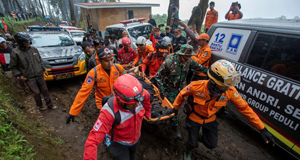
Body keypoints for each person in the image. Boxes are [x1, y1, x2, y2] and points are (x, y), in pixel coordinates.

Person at [172, 60, 275, 159]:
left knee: (211, 144)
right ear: (215, 81)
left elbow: (244, 108)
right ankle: (188, 151)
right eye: (228, 81)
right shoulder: (197, 86)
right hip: (194, 118)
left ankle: (196, 137)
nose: (230, 84)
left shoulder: (230, 91)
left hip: (210, 119)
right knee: (192, 143)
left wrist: (262, 128)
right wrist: (175, 109)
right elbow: (181, 94)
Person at [83, 74, 151, 160]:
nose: (137, 105)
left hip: (135, 140)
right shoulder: (108, 113)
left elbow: (147, 98)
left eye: (138, 101)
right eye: (132, 104)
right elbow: (92, 141)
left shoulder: (139, 95)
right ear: (121, 101)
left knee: (132, 156)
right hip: (118, 144)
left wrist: (147, 112)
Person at [155, 44, 207, 139]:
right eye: (185, 57)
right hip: (168, 89)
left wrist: (212, 74)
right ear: (180, 54)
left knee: (178, 106)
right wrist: (162, 91)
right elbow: (157, 77)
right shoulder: (169, 62)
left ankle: (169, 118)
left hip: (180, 90)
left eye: (188, 57)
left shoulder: (189, 62)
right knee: (174, 108)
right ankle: (174, 125)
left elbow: (201, 68)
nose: (187, 59)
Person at [66, 47, 126, 123]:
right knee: (106, 124)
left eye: (111, 59)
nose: (110, 63)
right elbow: (83, 92)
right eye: (106, 61)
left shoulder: (119, 68)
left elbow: (127, 83)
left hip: (117, 102)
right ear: (99, 61)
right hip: (103, 105)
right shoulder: (93, 73)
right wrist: (73, 111)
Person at [9, 32, 57, 111]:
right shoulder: (16, 52)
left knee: (45, 90)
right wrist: (20, 75)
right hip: (29, 77)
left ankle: (50, 105)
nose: (28, 43)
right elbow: (13, 67)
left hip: (39, 74)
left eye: (28, 41)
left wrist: (44, 69)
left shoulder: (34, 49)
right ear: (21, 43)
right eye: (26, 42)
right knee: (36, 93)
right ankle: (40, 106)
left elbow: (39, 60)